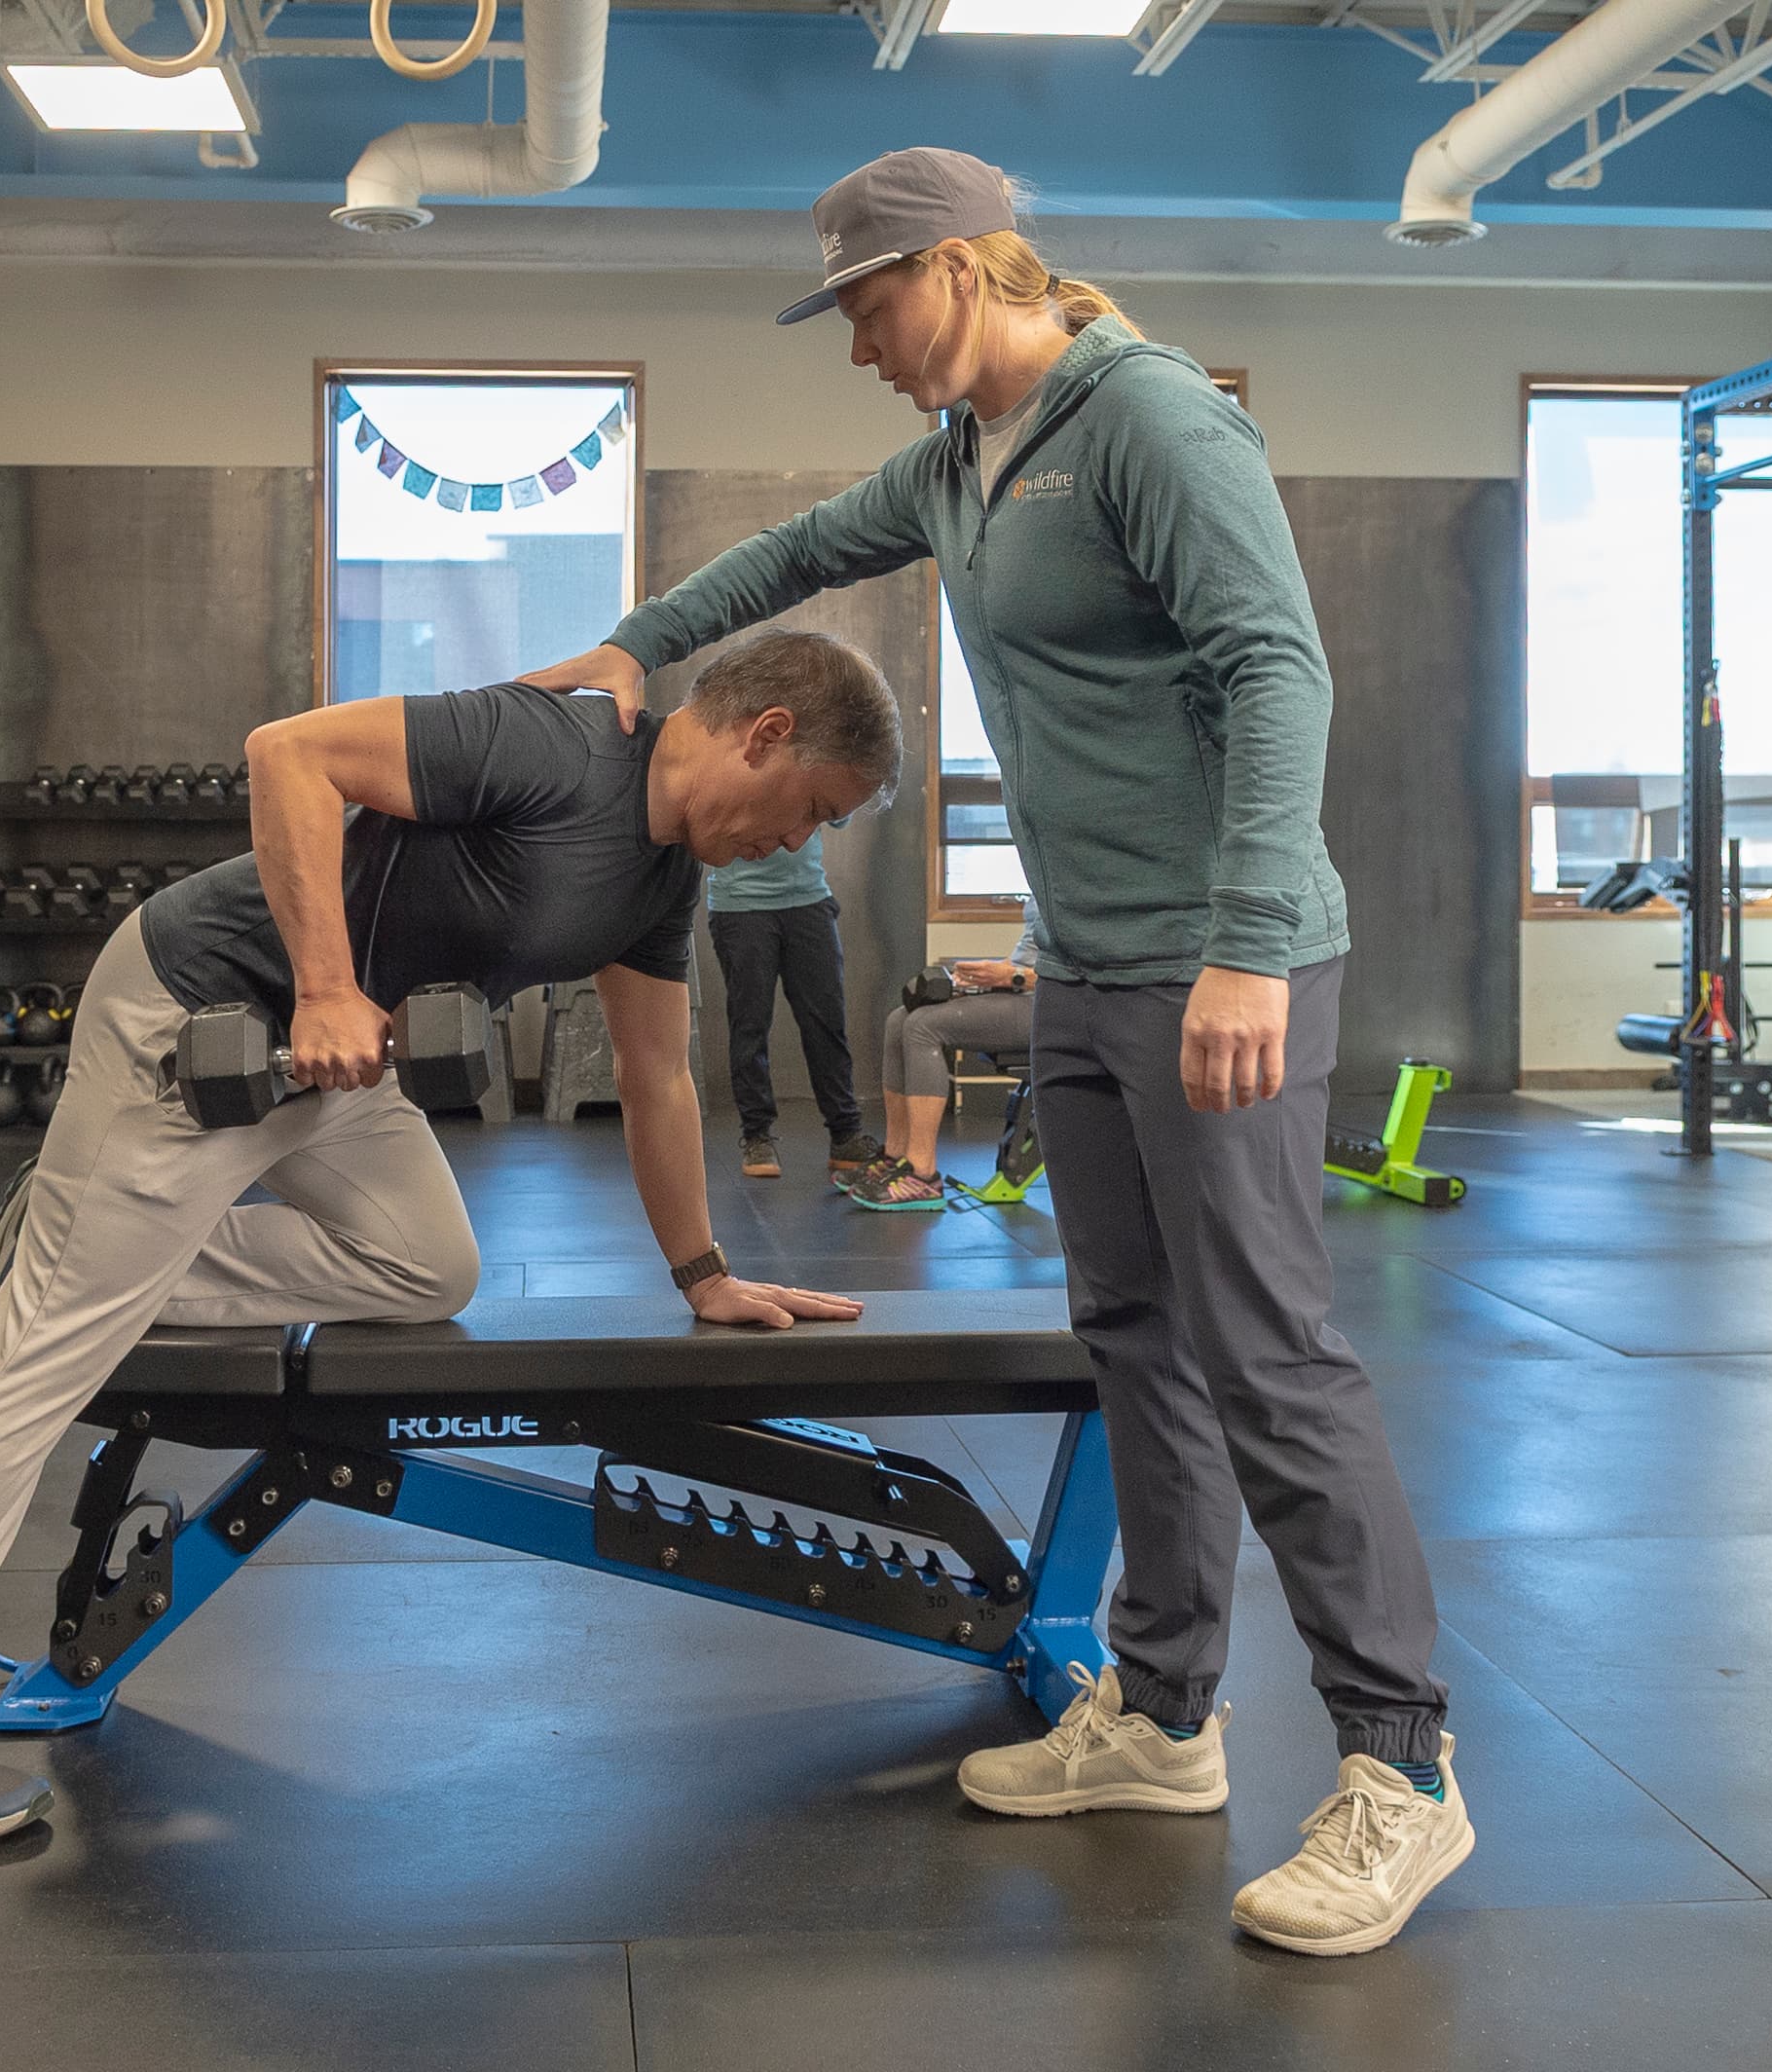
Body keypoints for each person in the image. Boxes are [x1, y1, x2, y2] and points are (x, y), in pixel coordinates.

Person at [522, 147, 1466, 1958]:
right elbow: (800, 551)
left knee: (1268, 1351)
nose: (861, 345)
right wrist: (633, 652)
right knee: (1132, 1334)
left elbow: (1279, 668)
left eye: (870, 307)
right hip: (1093, 971)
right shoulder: (966, 459)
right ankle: (1165, 1710)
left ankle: (1403, 1767)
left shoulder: (1151, 422)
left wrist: (1250, 946)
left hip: (1223, 960)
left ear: (957, 268)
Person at [0, 634, 900, 1847]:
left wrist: (704, 1273)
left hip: (336, 1071)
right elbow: (289, 754)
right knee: (37, 1363)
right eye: (811, 813)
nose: (796, 845)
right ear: (767, 733)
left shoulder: (660, 880)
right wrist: (321, 981)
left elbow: (653, 1073)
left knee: (428, 1267)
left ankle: (78, 1246)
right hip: (200, 1014)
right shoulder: (555, 745)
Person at [707, 826, 883, 1181]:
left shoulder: (812, 765)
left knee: (827, 1024)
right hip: (741, 904)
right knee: (750, 1025)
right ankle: (756, 1136)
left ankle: (845, 1136)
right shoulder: (726, 766)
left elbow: (840, 815)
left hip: (809, 898)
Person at [847, 896, 1042, 1210]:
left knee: (923, 1026)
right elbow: (1029, 955)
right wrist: (986, 978)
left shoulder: (1088, 883)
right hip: (1023, 993)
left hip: (1050, 1005)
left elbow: (1078, 970)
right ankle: (898, 1156)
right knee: (900, 1019)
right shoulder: (1046, 878)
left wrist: (1012, 977)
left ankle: (923, 1175)